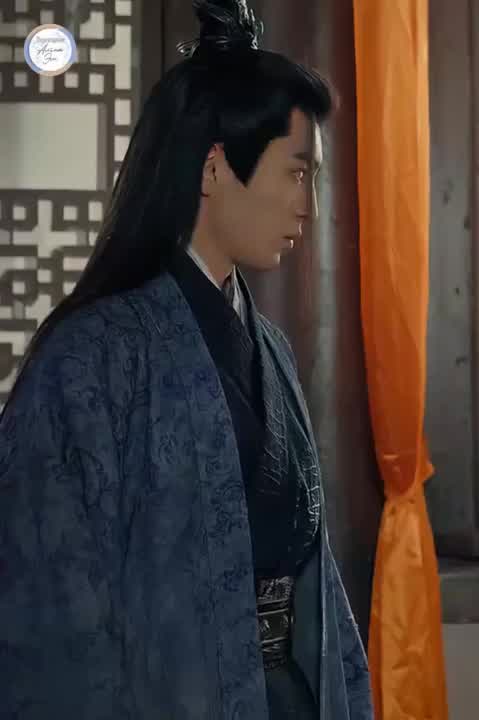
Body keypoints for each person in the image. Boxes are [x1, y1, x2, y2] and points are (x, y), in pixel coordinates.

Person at [0, 1, 372, 718]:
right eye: (296, 174)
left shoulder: (272, 350)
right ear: (213, 168)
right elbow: (46, 604)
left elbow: (316, 587)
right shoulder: (92, 356)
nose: (307, 205)